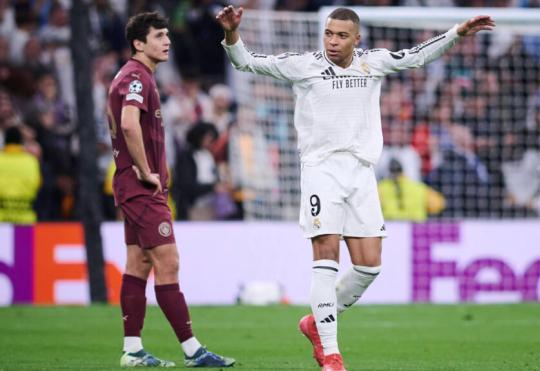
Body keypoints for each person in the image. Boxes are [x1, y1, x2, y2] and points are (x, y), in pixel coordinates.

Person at [217, 6, 494, 371]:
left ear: (357, 39)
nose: (332, 41)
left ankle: (316, 321)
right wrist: (232, 34)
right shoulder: (304, 65)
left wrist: (457, 32)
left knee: (369, 267)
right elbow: (246, 63)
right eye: (329, 33)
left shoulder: (373, 62)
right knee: (326, 259)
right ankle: (331, 353)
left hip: (361, 173)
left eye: (341, 35)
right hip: (321, 171)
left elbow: (416, 56)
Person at [106, 12, 234, 368]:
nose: (167, 41)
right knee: (169, 262)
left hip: (130, 185)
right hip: (142, 187)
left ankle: (132, 349)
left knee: (139, 261)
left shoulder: (129, 75)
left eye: (167, 35)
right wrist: (146, 171)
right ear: (138, 43)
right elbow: (130, 125)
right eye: (159, 36)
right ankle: (193, 350)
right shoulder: (136, 78)